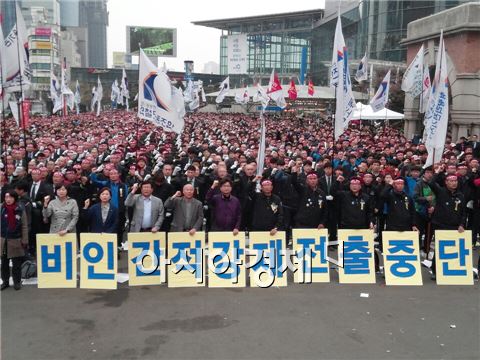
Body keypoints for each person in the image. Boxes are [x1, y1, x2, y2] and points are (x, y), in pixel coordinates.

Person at [428, 171, 467, 280]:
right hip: (440, 225)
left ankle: (452, 269)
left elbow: (463, 212)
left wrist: (462, 224)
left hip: (455, 226)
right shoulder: (441, 191)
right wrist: (437, 173)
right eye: (451, 181)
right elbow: (431, 183)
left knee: (453, 248)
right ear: (446, 182)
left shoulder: (460, 195)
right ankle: (436, 271)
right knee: (439, 249)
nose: (454, 183)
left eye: (455, 181)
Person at [1, 191, 28, 290]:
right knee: (4, 263)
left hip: (16, 240)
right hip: (3, 240)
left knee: (16, 263)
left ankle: (17, 282)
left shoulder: (20, 209)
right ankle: (5, 282)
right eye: (6, 197)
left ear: (15, 198)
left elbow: (24, 226)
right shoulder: (1, 208)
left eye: (11, 197)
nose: (8, 199)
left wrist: (25, 240)